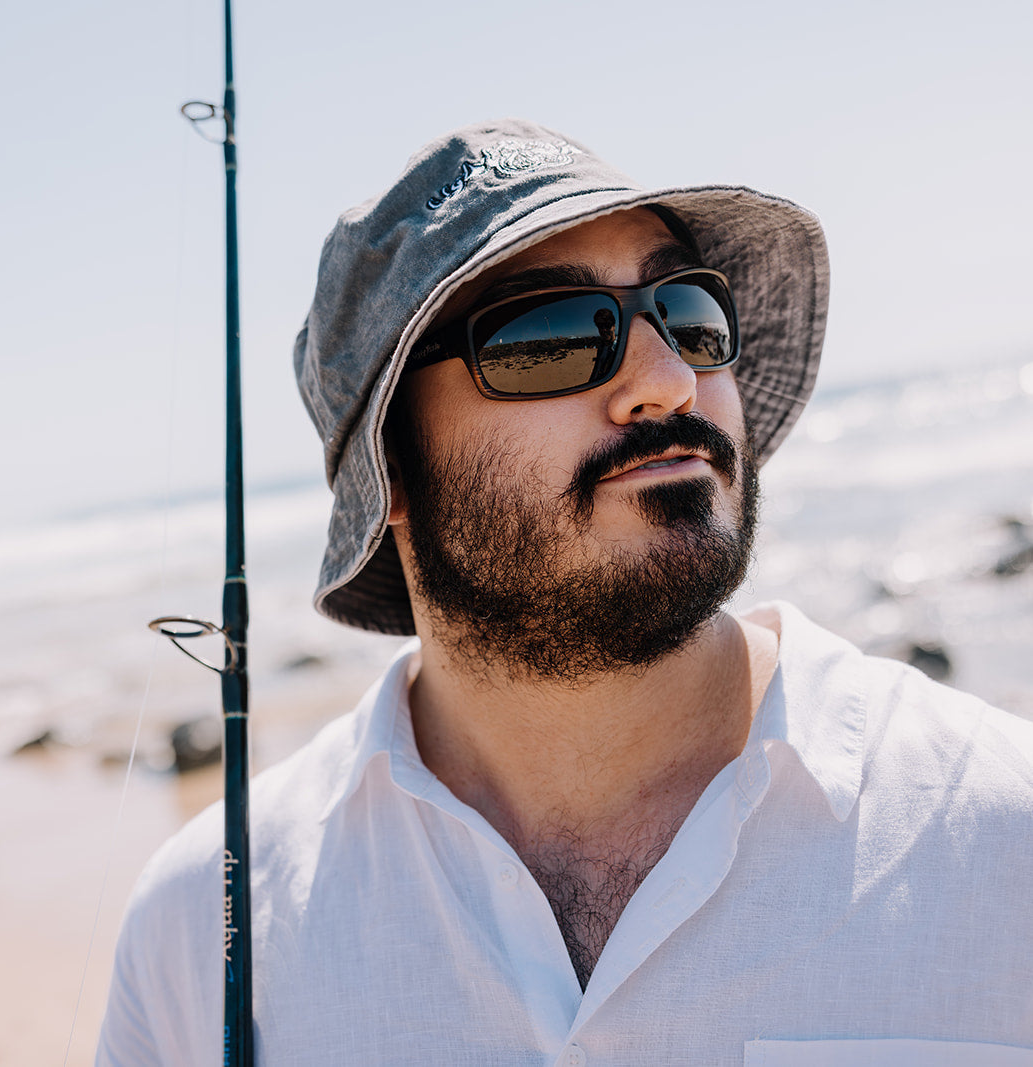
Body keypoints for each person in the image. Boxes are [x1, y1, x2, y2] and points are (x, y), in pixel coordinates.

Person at [98, 119, 1033, 1065]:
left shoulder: (1004, 829)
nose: (668, 380)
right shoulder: (202, 927)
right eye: (547, 336)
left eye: (688, 314)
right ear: (390, 468)